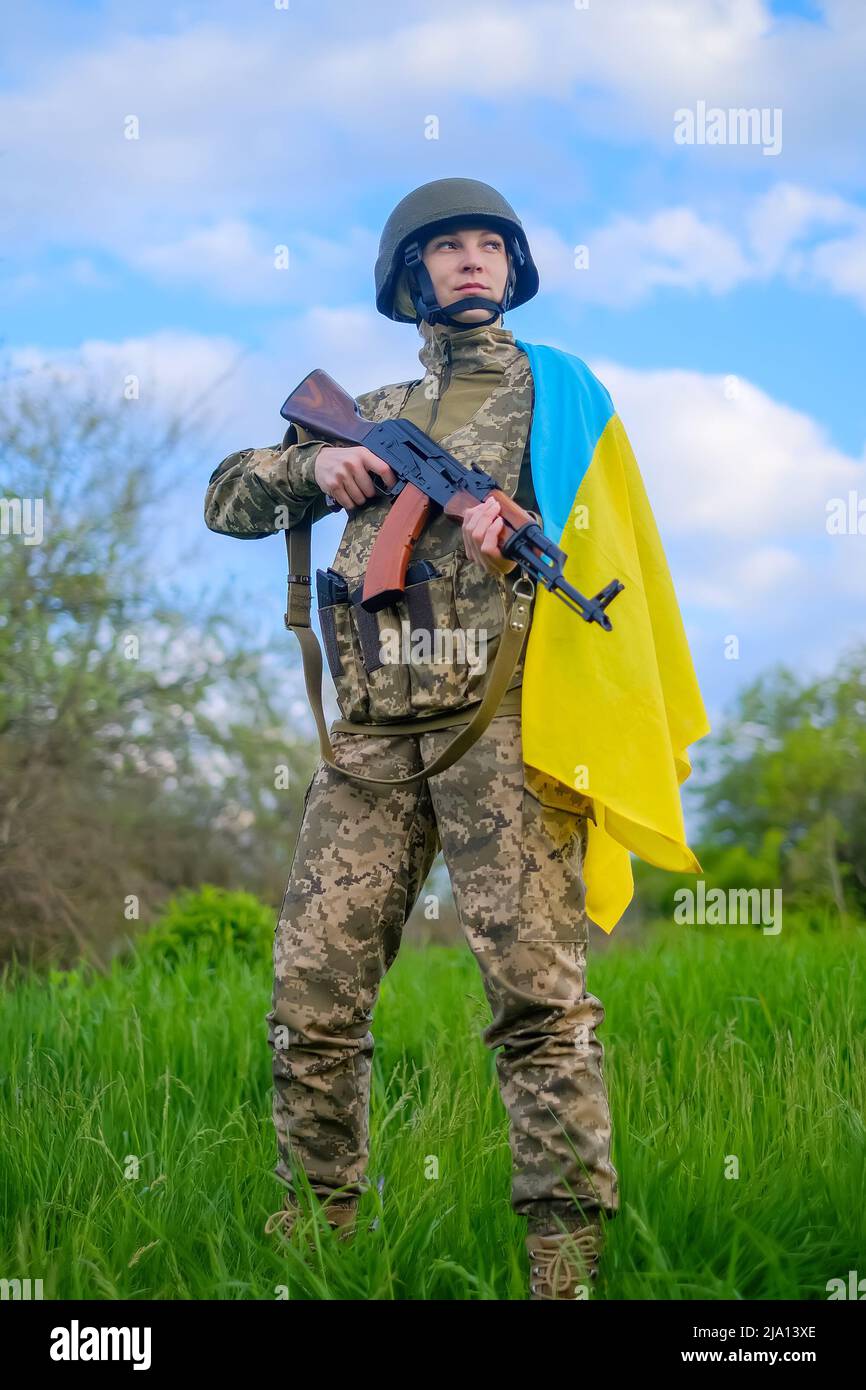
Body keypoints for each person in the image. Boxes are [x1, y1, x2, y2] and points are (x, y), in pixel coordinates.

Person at [204, 178, 619, 1299]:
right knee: (311, 998)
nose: (472, 260)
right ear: (410, 276)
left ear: (513, 268)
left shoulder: (557, 399)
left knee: (538, 1001)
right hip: (373, 739)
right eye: (448, 248)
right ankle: (319, 1232)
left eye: (490, 245)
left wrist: (507, 533)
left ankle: (564, 1260)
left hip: (499, 731)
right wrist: (313, 467)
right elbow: (225, 496)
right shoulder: (375, 399)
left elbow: (598, 523)